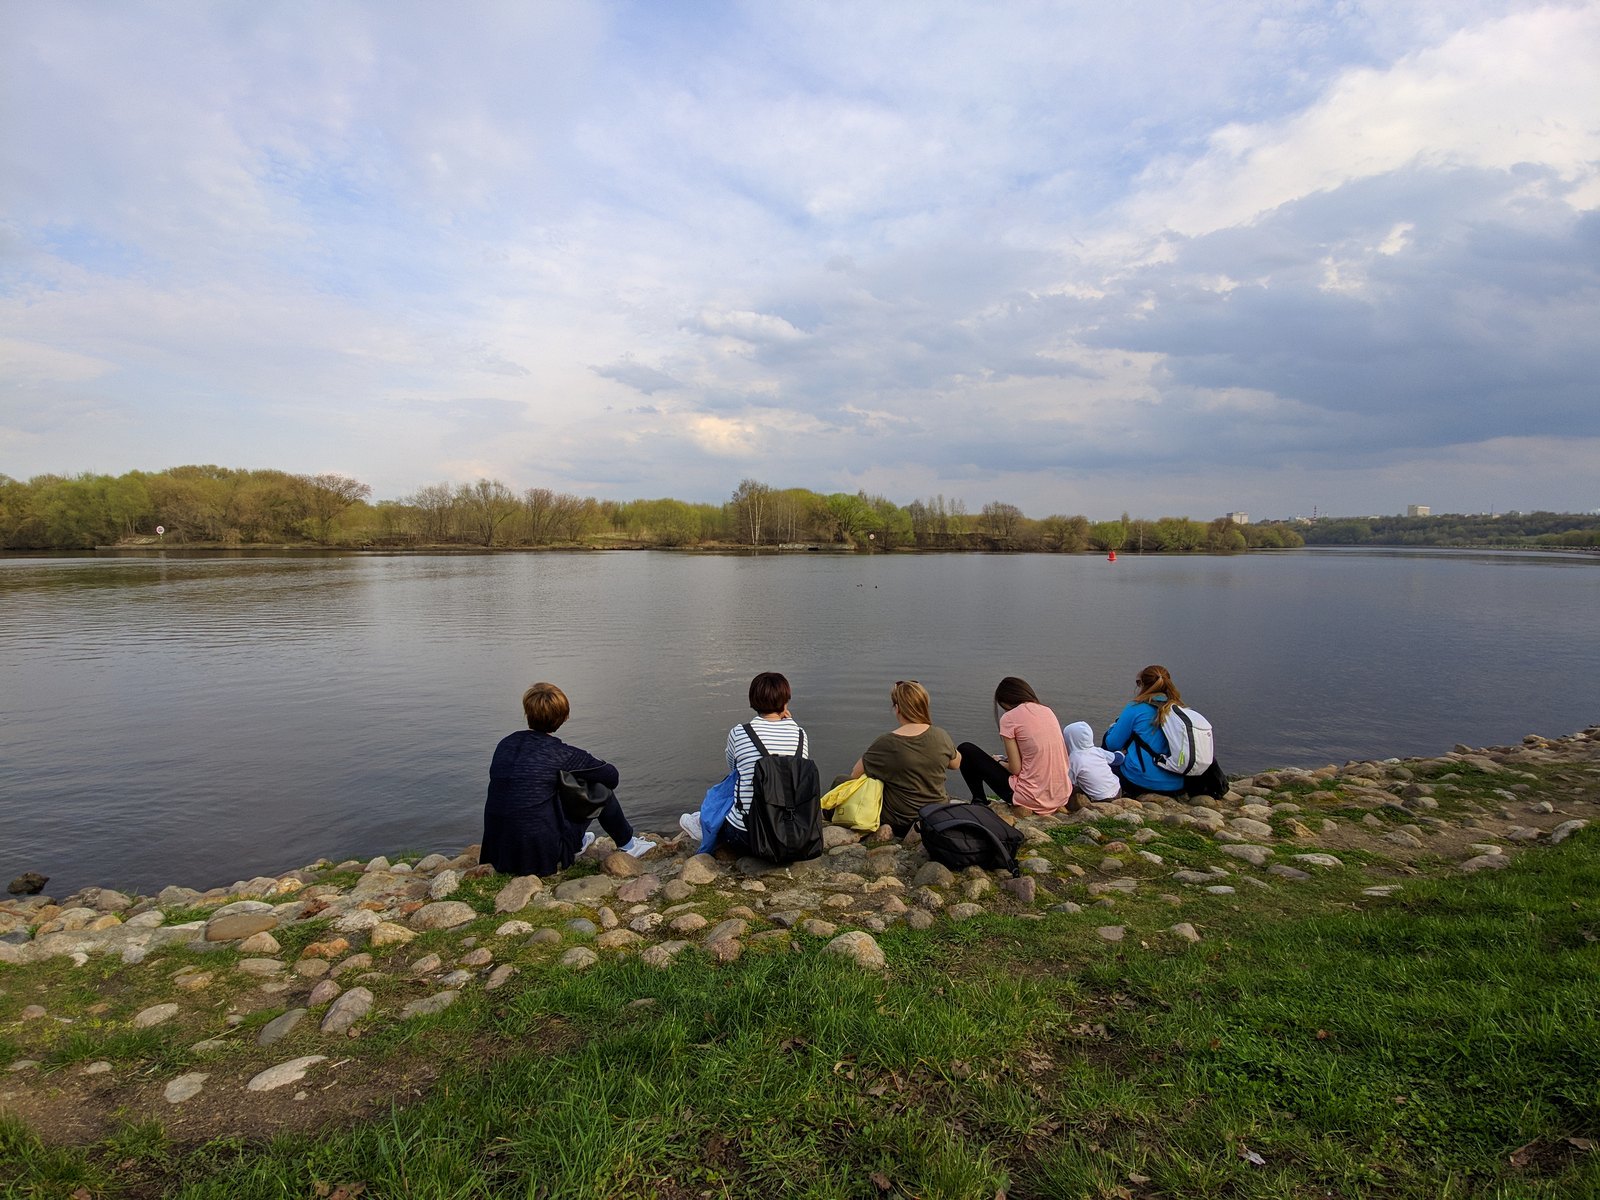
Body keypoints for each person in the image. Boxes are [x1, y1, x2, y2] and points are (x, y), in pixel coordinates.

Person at [481, 682, 655, 876]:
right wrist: (582, 770)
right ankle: (628, 844)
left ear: (527, 712)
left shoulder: (505, 744)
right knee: (598, 789)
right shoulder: (562, 754)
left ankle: (578, 840)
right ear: (564, 717)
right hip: (538, 857)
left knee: (538, 787)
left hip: (498, 852)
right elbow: (611, 777)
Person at [680, 671, 809, 856]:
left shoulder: (740, 732)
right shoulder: (801, 735)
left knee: (732, 781)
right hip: (793, 834)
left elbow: (734, 769)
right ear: (785, 701)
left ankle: (704, 822)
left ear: (753, 701)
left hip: (747, 837)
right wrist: (789, 722)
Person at [845, 680, 960, 838]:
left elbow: (854, 775)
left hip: (901, 819)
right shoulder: (940, 735)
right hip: (937, 811)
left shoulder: (886, 742)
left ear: (897, 709)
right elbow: (955, 763)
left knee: (840, 780)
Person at [956, 677, 1075, 815]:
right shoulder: (1047, 711)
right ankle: (980, 799)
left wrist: (999, 761)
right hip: (1061, 794)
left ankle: (979, 799)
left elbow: (1015, 769)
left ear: (1005, 701)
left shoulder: (1009, 718)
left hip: (1032, 797)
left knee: (966, 749)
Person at [1101, 665, 1188, 796]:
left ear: (1142, 684)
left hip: (1140, 782)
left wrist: (1114, 728)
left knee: (1107, 739)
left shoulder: (1135, 708)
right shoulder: (1180, 709)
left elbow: (1112, 744)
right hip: (1177, 784)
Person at [1063, 720, 1123, 802]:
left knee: (1074, 789)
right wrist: (1122, 752)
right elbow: (1118, 759)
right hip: (1117, 789)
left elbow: (1068, 782)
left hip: (1101, 797)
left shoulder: (1073, 760)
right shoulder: (1097, 751)